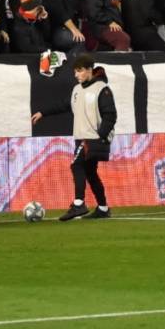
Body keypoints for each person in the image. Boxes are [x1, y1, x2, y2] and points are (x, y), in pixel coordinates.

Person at [31, 55, 116, 221]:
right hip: (82, 138)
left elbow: (110, 116)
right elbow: (65, 105)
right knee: (90, 172)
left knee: (76, 165)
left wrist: (101, 136)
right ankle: (103, 208)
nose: (77, 75)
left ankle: (79, 204)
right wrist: (43, 112)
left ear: (90, 70)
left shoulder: (102, 89)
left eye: (80, 71)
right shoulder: (77, 90)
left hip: (92, 138)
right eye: (75, 71)